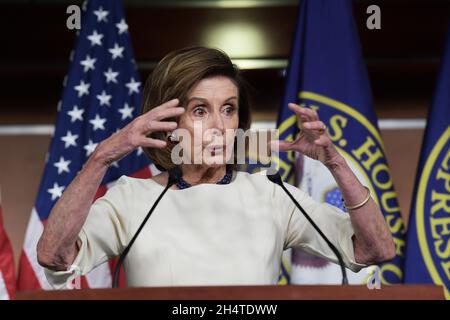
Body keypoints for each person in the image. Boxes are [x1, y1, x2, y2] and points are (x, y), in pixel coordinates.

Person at [37, 46, 395, 288]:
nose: (219, 126)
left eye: (228, 109)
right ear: (168, 123)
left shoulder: (271, 194)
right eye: (199, 111)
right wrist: (102, 156)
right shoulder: (131, 199)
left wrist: (335, 163)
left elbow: (374, 250)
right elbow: (54, 257)